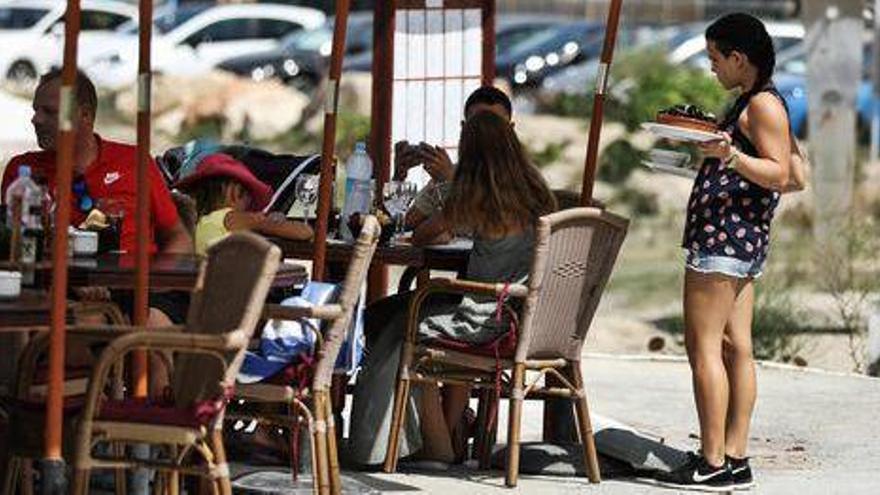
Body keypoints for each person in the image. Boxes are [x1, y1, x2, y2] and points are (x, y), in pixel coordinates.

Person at [349, 111, 557, 466]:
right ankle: (446, 435)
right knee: (403, 312)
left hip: (483, 318)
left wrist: (450, 188)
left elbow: (421, 235)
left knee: (406, 329)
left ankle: (435, 445)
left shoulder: (476, 195)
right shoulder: (536, 192)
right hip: (519, 316)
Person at [658, 13, 794, 491]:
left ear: (739, 59)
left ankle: (712, 461)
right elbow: (791, 168)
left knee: (704, 349)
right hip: (737, 240)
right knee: (737, 349)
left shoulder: (762, 107)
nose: (712, 68)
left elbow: (785, 175)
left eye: (716, 59)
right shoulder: (755, 104)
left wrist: (731, 156)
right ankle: (734, 456)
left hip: (724, 241)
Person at [396, 86, 514, 233]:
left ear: (511, 130)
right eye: (477, 126)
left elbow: (491, 236)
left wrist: (448, 184)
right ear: (464, 128)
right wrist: (399, 176)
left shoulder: (519, 178)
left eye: (496, 126)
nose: (486, 134)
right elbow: (402, 225)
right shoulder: (454, 172)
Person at [173, 152, 313, 254]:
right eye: (248, 196)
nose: (249, 204)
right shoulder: (230, 218)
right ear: (234, 191)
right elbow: (304, 233)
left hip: (203, 290)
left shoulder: (196, 220)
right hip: (232, 290)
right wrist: (271, 221)